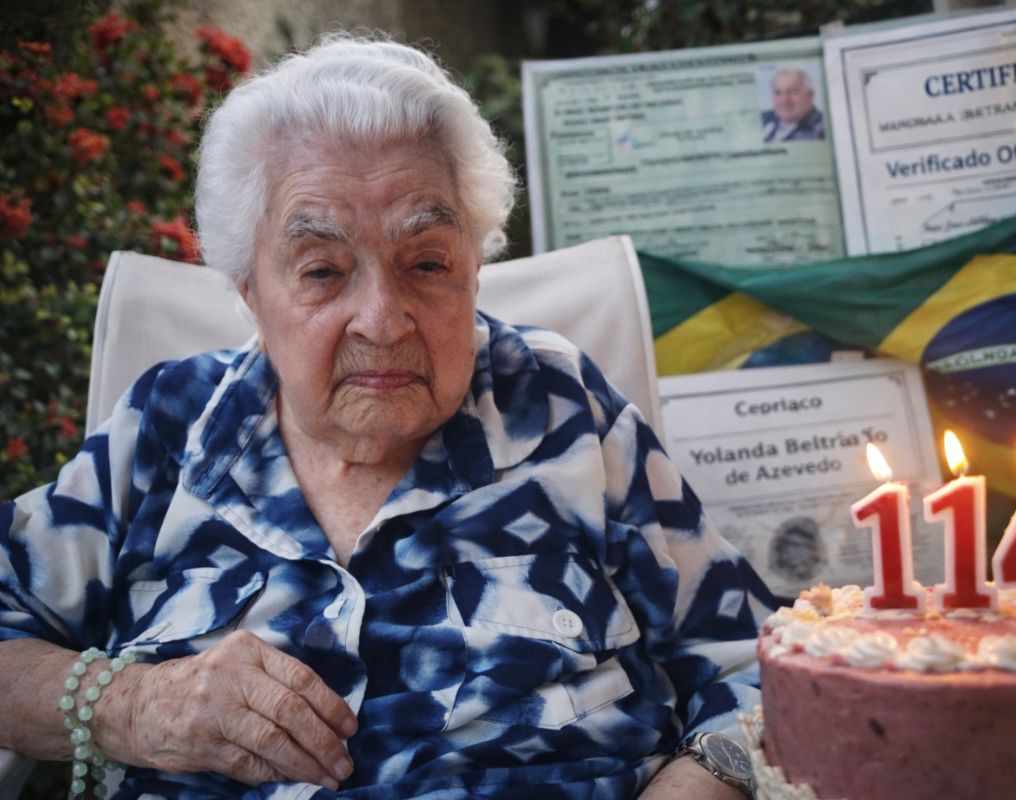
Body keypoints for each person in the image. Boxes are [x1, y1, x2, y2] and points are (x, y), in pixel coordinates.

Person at [0, 34, 776, 800]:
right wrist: (130, 704)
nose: (382, 319)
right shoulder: (171, 426)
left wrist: (701, 780)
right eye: (322, 271)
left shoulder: (561, 406)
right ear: (251, 294)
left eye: (426, 263)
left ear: (474, 268)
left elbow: (764, 665)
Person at [761, 68, 824, 142]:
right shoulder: (764, 118)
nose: (784, 99)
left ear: (810, 95)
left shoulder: (822, 129)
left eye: (793, 91)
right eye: (778, 92)